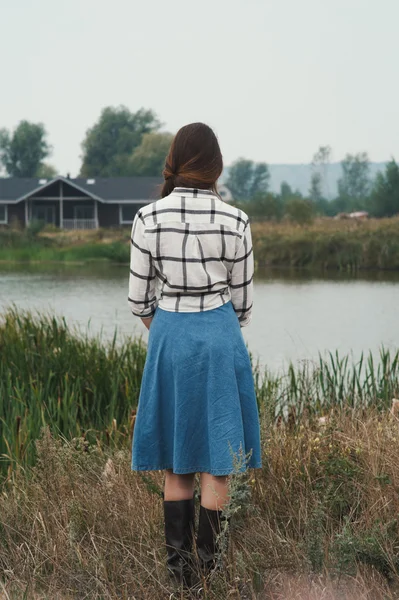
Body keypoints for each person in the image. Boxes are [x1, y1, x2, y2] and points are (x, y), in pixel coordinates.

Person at [128, 122, 262, 588]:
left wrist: (172, 331)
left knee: (177, 462)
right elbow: (243, 305)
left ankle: (178, 577)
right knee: (220, 462)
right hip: (220, 337)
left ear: (174, 160)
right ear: (215, 165)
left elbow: (139, 302)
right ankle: (208, 575)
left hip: (170, 337)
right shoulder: (237, 220)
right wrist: (213, 329)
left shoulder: (147, 218)